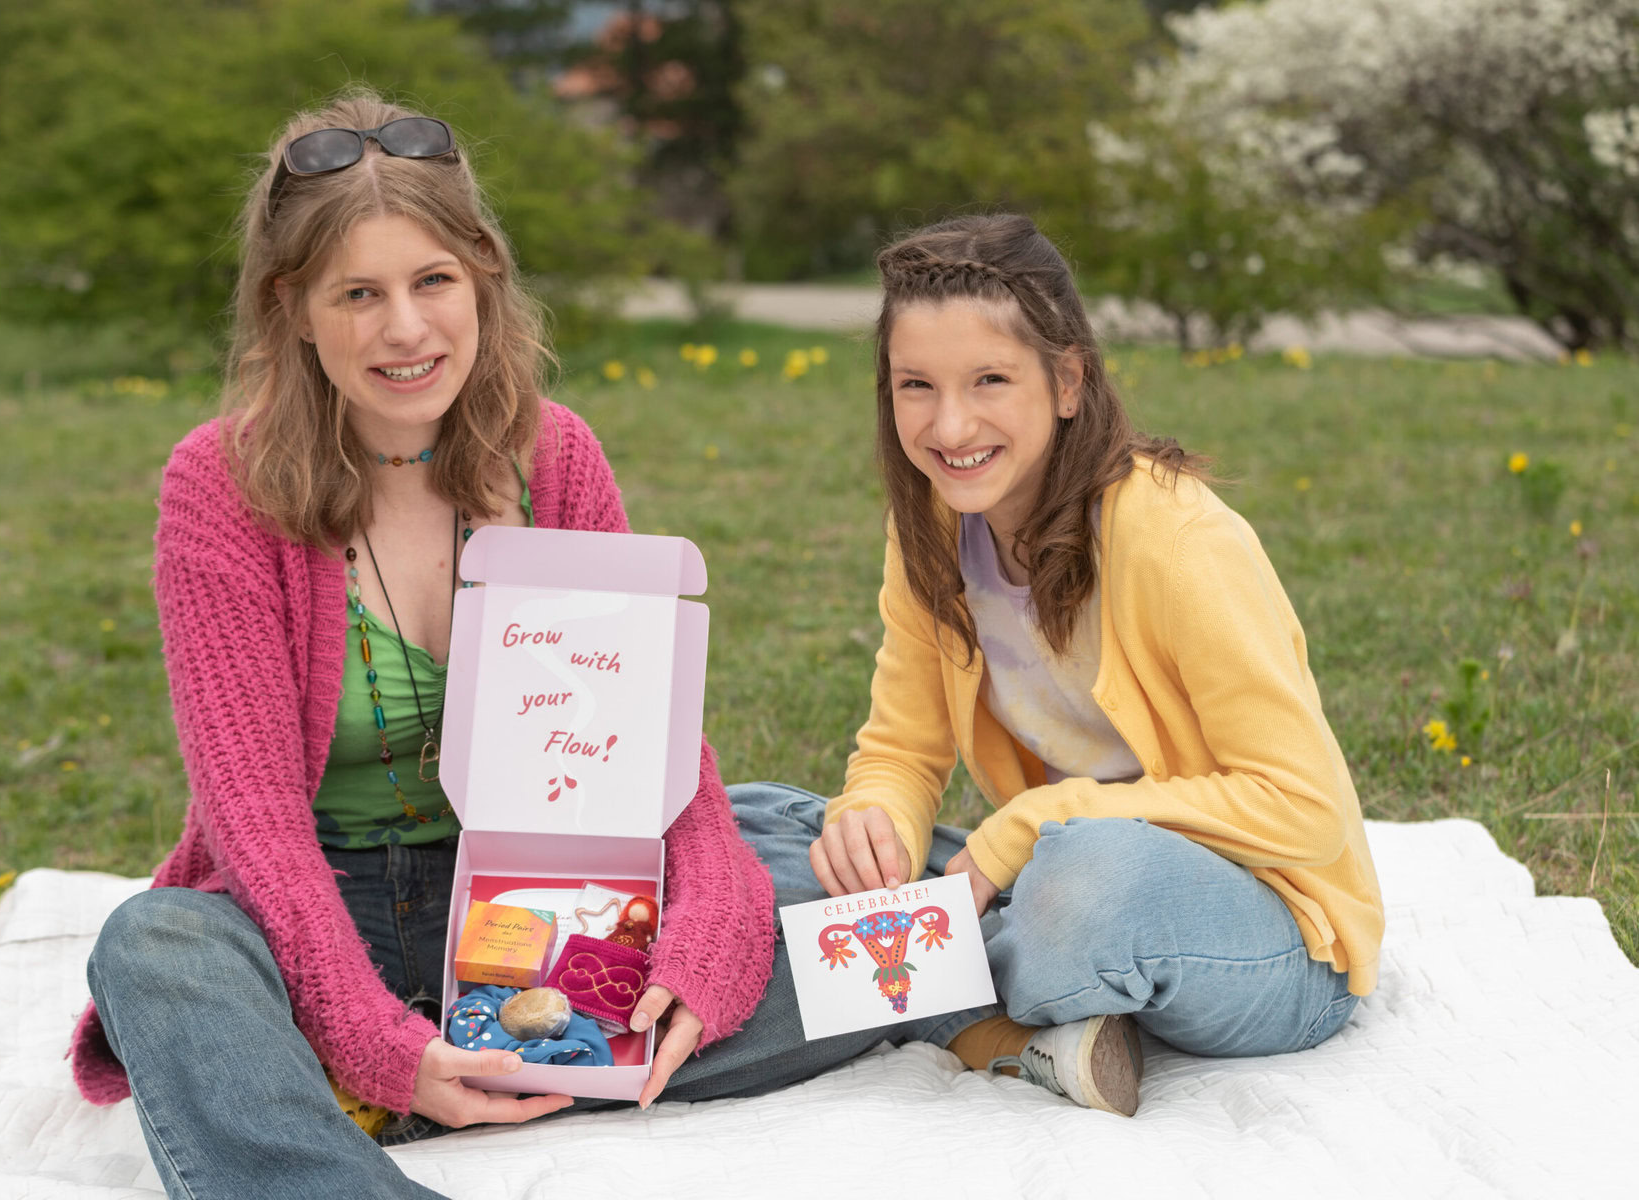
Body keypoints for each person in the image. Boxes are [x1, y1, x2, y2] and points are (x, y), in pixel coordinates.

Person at [68, 91, 779, 1199]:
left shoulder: (556, 457)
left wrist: (710, 942)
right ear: (292, 306)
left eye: (432, 281)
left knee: (783, 880)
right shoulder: (220, 484)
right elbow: (251, 822)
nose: (407, 329)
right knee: (153, 949)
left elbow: (651, 740)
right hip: (320, 905)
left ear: (482, 278)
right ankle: (385, 1108)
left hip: (541, 909)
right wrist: (374, 1036)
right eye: (360, 294)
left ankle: (431, 1090)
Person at [731, 213, 1385, 1118]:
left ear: (1068, 379)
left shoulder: (1178, 541)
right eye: (915, 385)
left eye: (990, 380)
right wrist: (870, 821)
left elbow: (1304, 812)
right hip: (1042, 881)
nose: (949, 424)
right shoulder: (931, 525)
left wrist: (1031, 825)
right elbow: (902, 750)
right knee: (759, 824)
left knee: (1086, 886)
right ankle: (999, 1015)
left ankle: (919, 998)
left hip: (1264, 935)